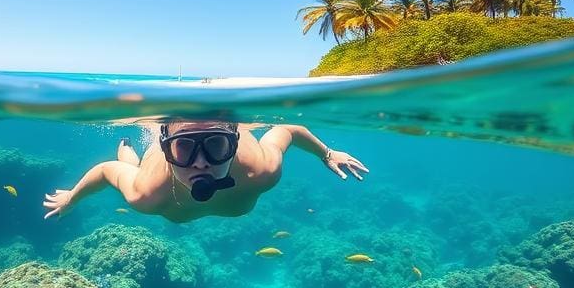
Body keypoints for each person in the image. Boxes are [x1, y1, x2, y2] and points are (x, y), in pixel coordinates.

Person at [42, 120, 368, 223]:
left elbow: (289, 131)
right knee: (133, 169)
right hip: (152, 169)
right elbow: (104, 171)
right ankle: (130, 147)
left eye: (216, 146)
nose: (201, 163)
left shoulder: (261, 169)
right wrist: (71, 198)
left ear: (234, 142)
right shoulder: (147, 192)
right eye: (184, 148)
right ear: (167, 147)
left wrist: (327, 153)